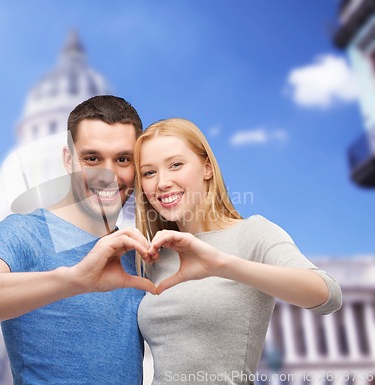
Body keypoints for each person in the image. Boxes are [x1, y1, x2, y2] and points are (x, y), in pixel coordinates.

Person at [0, 95, 157, 385]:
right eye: (92, 158)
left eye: (122, 159)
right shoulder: (25, 232)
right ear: (68, 160)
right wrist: (76, 279)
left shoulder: (136, 254)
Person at [134, 118, 342, 385]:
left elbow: (329, 295)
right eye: (149, 173)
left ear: (207, 167)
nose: (162, 182)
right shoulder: (155, 256)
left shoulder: (252, 234)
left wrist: (221, 264)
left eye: (176, 165)